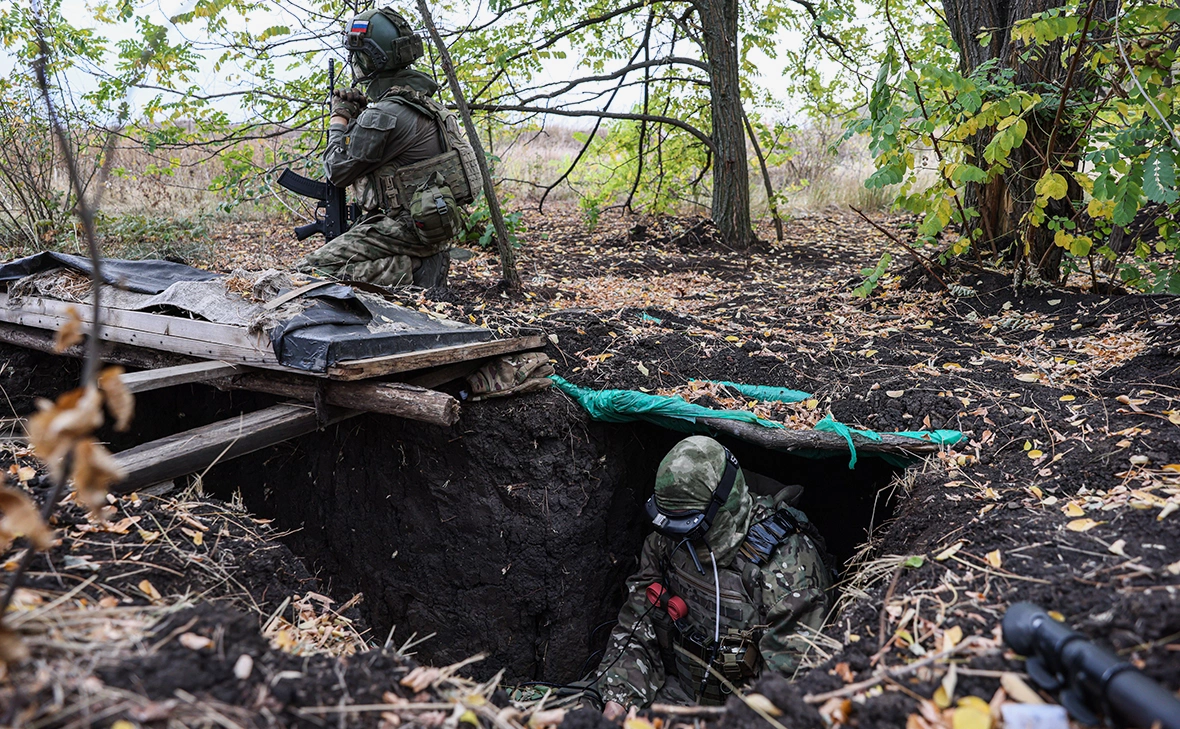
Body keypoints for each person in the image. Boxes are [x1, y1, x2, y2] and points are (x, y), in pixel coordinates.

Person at [594, 436, 834, 717]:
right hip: (673, 695)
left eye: (688, 527)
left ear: (719, 509)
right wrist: (619, 698)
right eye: (668, 526)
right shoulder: (666, 543)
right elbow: (638, 623)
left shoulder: (786, 570)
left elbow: (789, 697)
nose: (677, 539)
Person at [298, 7, 479, 288]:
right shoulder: (422, 103)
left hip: (405, 229)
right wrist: (359, 117)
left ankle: (412, 270)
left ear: (369, 59)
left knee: (310, 274)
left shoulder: (385, 113)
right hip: (429, 225)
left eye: (358, 55)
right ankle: (420, 263)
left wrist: (339, 117)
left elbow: (336, 171)